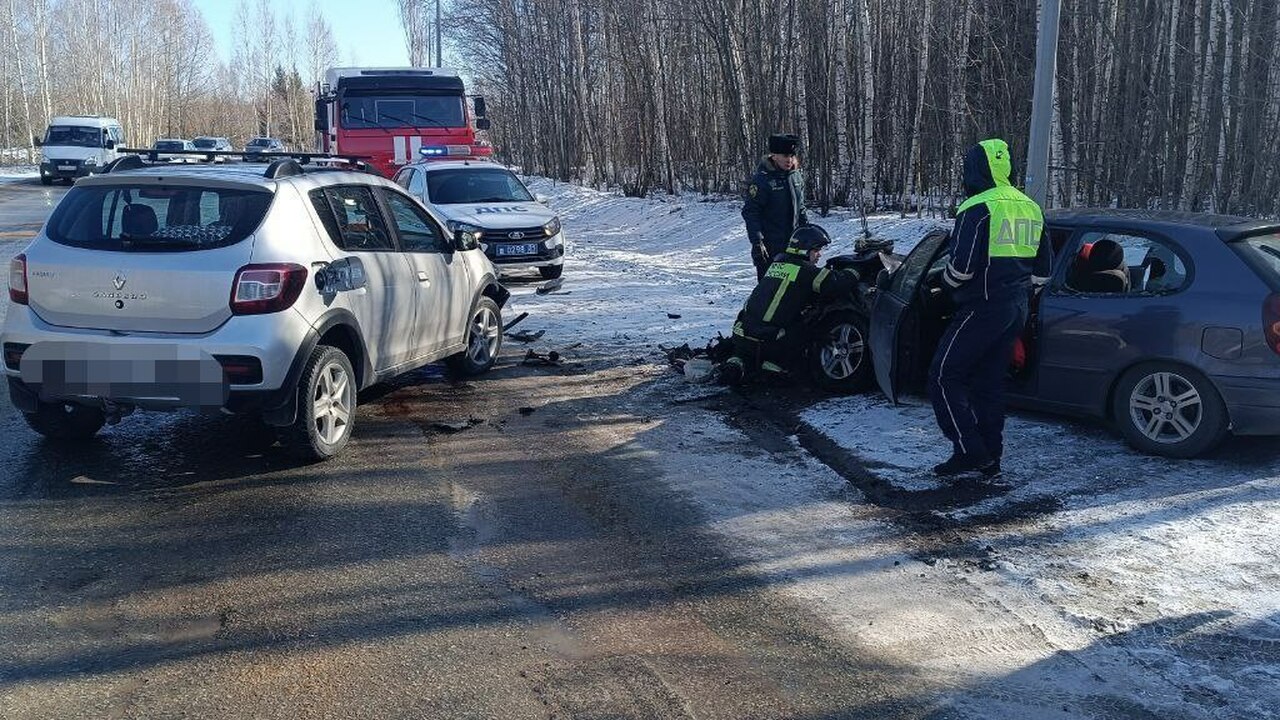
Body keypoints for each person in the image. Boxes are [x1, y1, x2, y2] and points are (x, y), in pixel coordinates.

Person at [929, 138, 1053, 478]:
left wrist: (941, 286)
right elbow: (1044, 271)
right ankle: (989, 457)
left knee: (942, 377)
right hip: (1016, 307)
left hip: (980, 307)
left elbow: (961, 270)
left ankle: (970, 450)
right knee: (989, 384)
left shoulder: (977, 207)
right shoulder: (1030, 207)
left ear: (974, 169)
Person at [722, 224, 857, 384]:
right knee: (808, 326)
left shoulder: (777, 264)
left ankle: (737, 362)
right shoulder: (806, 271)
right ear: (804, 250)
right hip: (770, 341)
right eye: (816, 250)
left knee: (746, 351)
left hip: (741, 334)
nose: (819, 255)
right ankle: (774, 367)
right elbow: (838, 284)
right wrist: (855, 270)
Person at [742, 133, 808, 280]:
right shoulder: (762, 180)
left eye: (792, 155)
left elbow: (801, 208)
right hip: (770, 246)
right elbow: (750, 212)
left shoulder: (795, 176)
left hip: (795, 245)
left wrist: (807, 233)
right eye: (785, 156)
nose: (789, 160)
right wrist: (757, 242)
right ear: (774, 156)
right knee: (769, 291)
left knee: (793, 290)